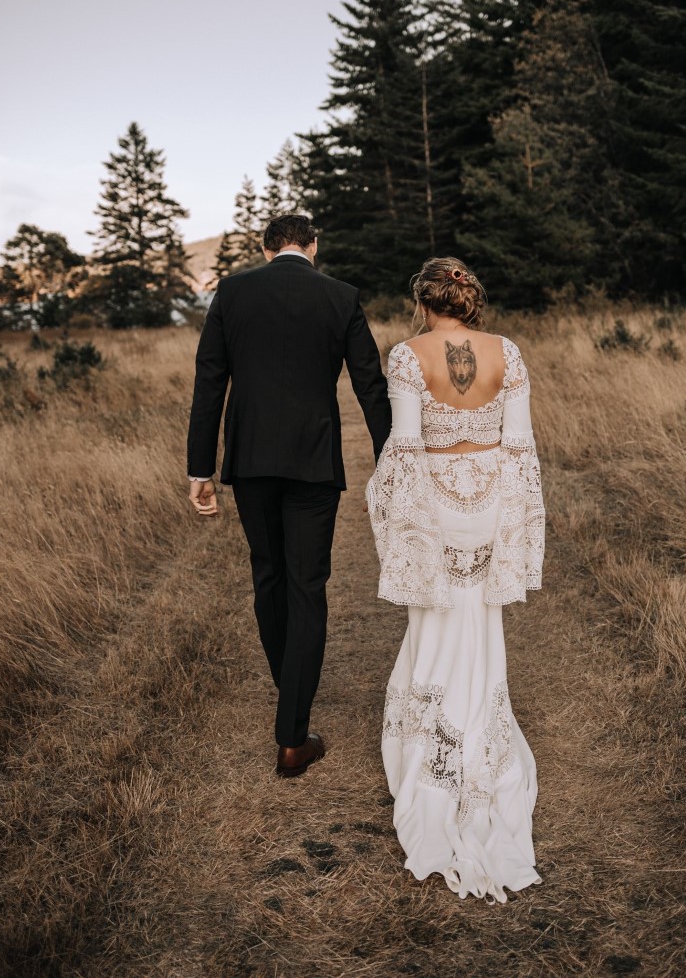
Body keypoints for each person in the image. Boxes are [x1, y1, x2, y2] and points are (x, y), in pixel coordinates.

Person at [366, 258, 545, 903]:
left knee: (434, 621)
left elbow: (405, 447)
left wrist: (383, 502)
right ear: (470, 301)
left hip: (438, 504)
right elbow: (520, 447)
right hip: (492, 501)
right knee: (478, 621)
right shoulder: (510, 353)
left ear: (424, 302)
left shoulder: (409, 356)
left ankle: (438, 748)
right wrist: (516, 521)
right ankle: (480, 734)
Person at [187, 214, 391, 777]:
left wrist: (199, 468)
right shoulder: (341, 297)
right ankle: (293, 732)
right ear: (314, 246)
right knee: (307, 587)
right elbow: (369, 383)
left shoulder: (232, 292)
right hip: (312, 462)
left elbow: (210, 381)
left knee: (269, 577)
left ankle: (292, 706)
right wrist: (392, 459)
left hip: (250, 461)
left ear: (266, 247)